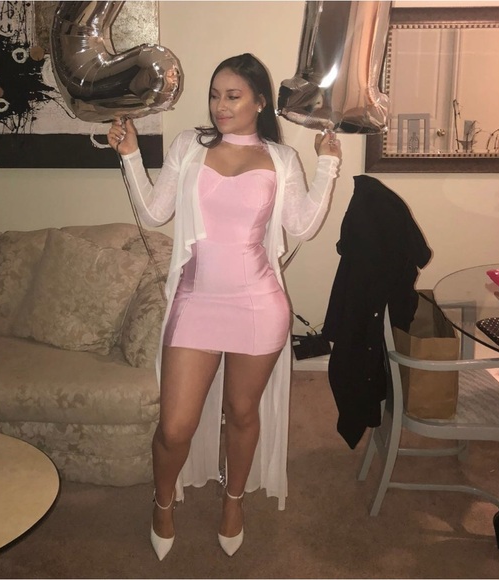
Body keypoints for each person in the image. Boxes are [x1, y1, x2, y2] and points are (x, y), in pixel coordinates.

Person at [107, 53, 342, 561]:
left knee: (241, 412)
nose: (220, 105)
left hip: (259, 305)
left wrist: (327, 163)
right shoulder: (188, 146)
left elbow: (302, 226)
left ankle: (233, 500)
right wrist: (130, 154)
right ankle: (162, 502)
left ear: (259, 102)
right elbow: (155, 212)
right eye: (215, 95)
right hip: (196, 301)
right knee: (174, 427)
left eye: (233, 96)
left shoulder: (280, 158)